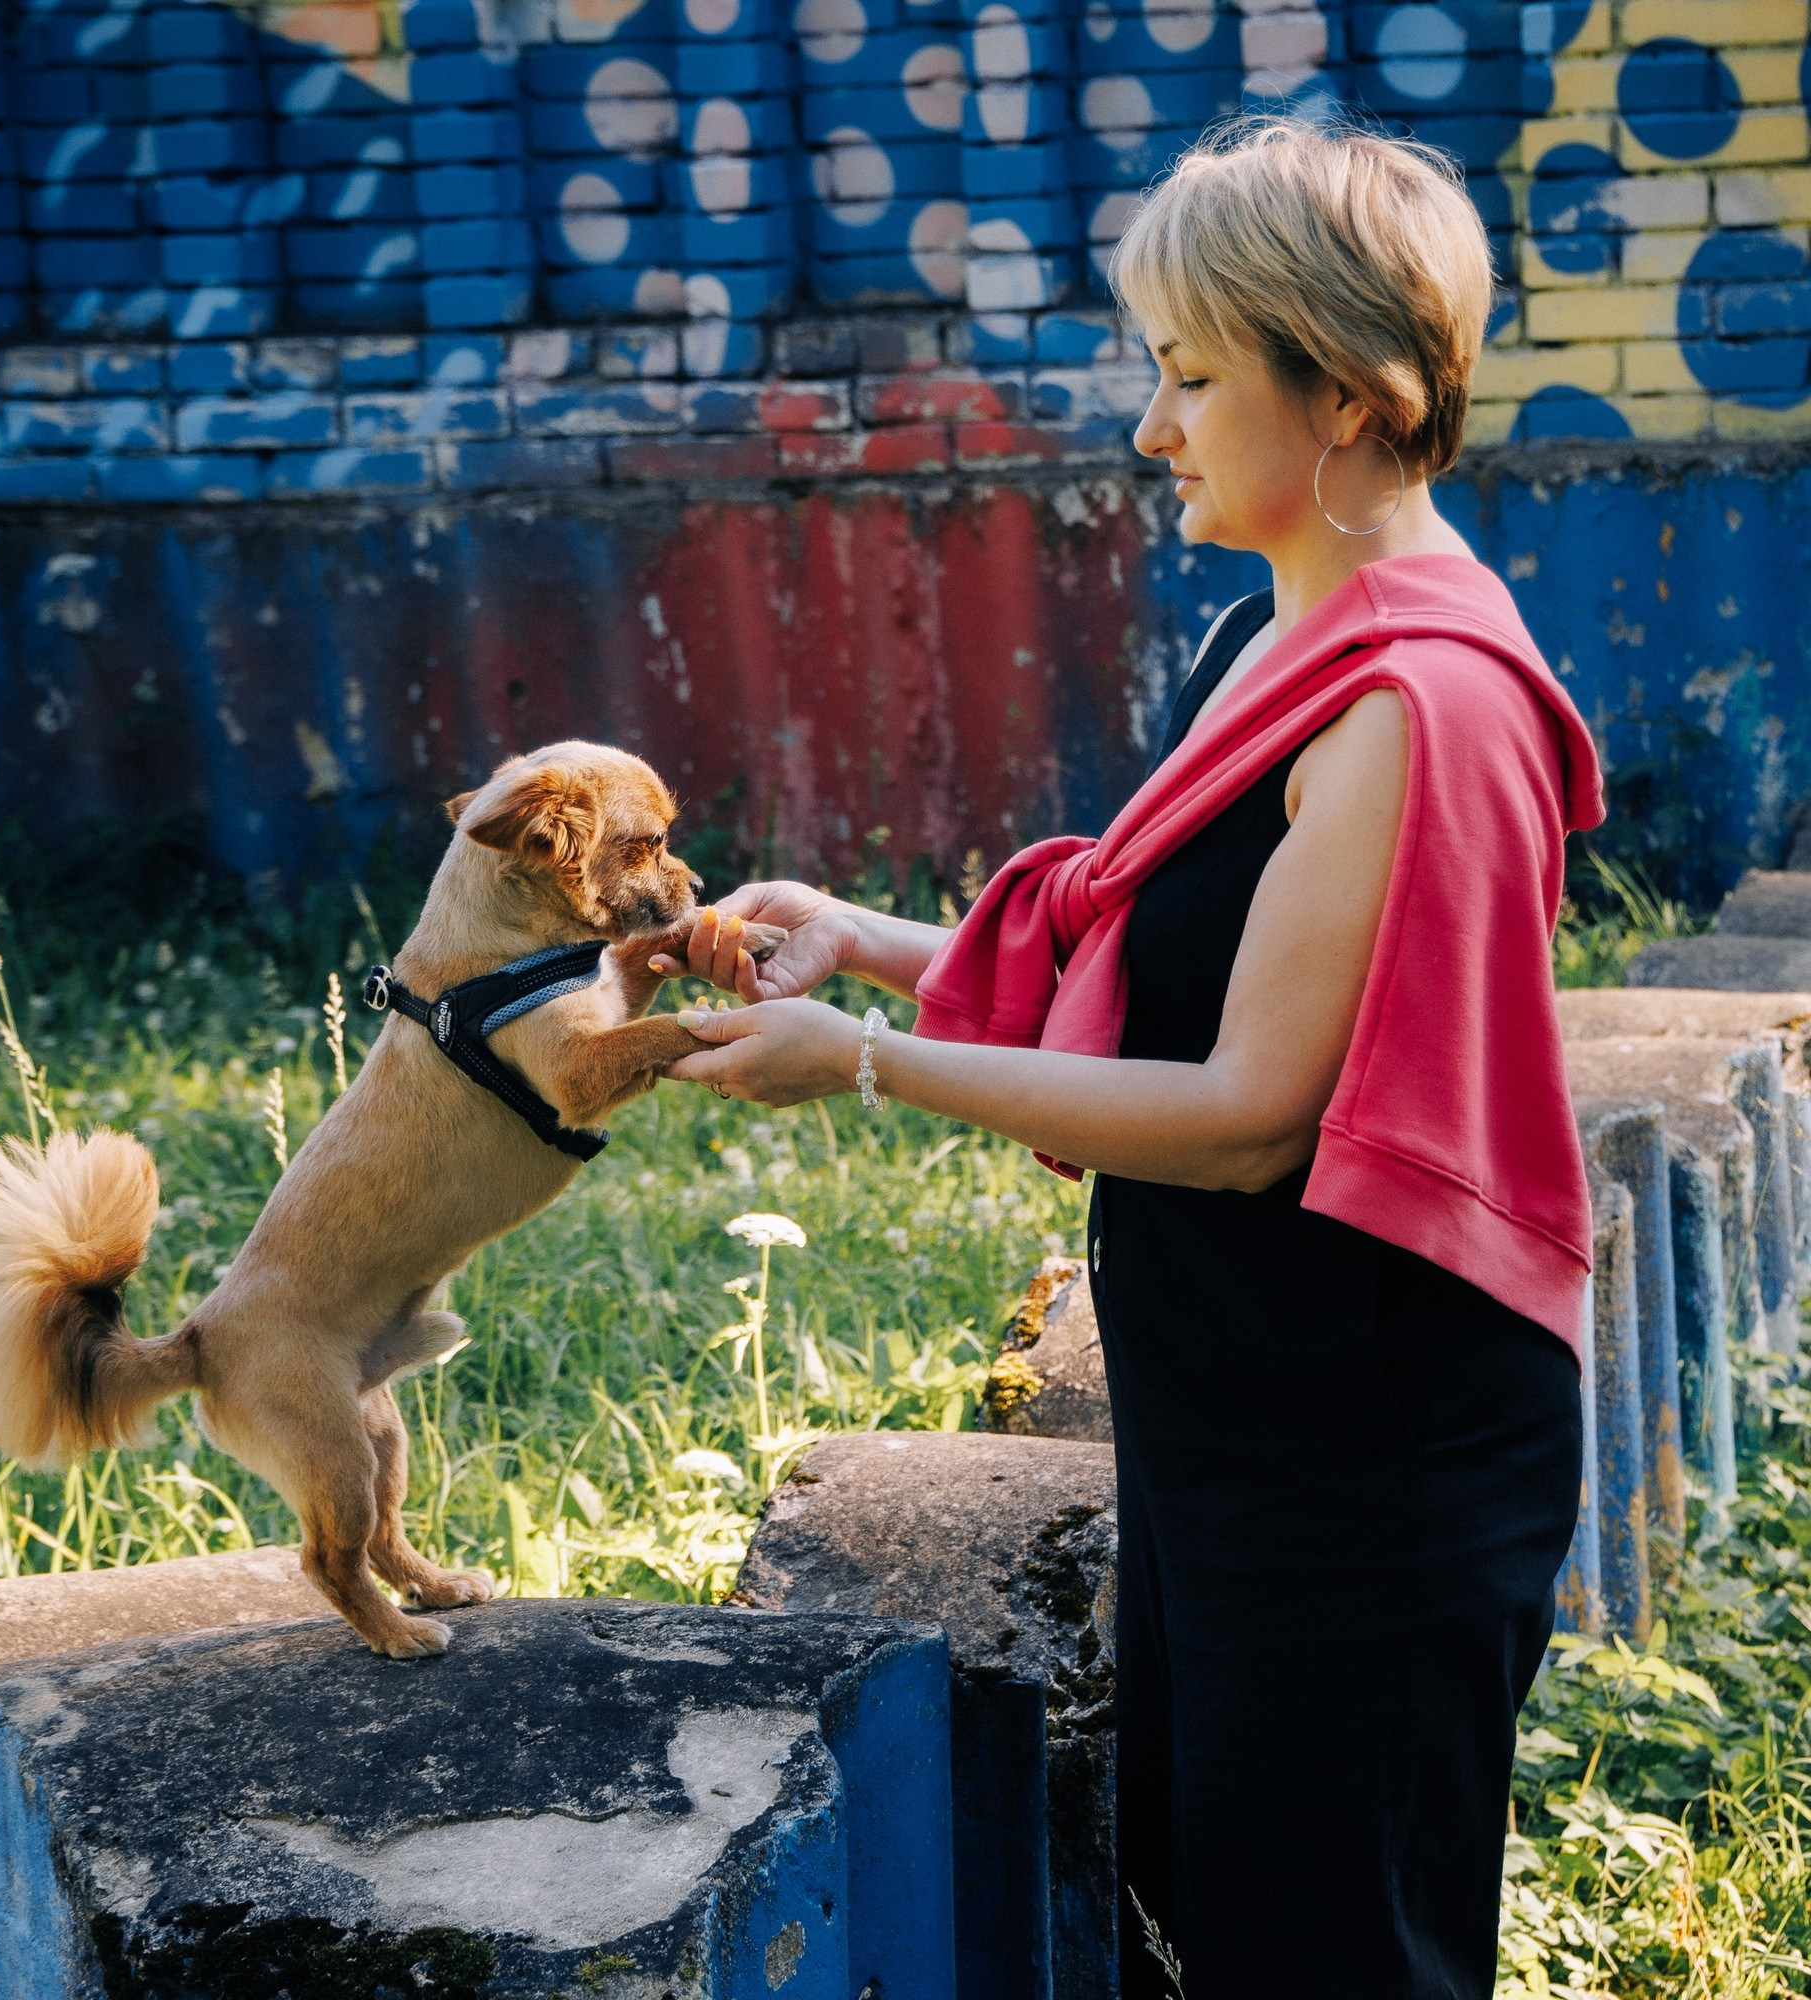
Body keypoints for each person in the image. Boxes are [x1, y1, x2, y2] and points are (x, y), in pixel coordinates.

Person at [650, 117, 1602, 1999]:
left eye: (1190, 377)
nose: (1151, 428)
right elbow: (1160, 969)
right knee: (1216, 1891)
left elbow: (1249, 1117)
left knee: (1335, 1949)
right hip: (1237, 1404)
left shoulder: (1419, 707)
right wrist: (870, 941)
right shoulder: (1275, 633)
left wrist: (867, 1062)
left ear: (1350, 396)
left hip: (1371, 1449)